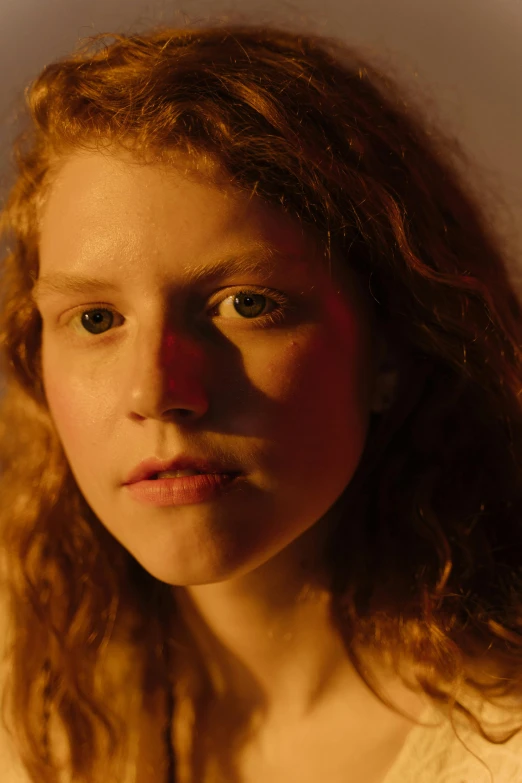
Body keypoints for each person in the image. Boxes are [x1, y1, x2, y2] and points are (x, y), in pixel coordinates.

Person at [1, 21, 522, 783]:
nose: (157, 392)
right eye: (96, 319)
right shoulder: (22, 700)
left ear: (393, 344)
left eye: (245, 303)